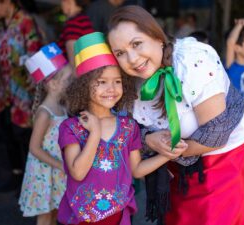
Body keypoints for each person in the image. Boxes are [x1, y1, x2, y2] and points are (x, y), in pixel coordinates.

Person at [107, 5, 244, 225]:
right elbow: (129, 132)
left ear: (156, 36)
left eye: (136, 44)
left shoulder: (191, 61)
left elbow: (216, 133)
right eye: (120, 53)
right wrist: (149, 139)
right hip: (180, 170)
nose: (132, 59)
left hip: (230, 156)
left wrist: (161, 152)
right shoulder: (126, 84)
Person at [57, 32, 186, 225]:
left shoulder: (128, 126)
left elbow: (136, 170)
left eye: (117, 81)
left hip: (119, 216)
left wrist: (167, 155)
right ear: (84, 85)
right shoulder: (71, 127)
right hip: (80, 217)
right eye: (101, 82)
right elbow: (77, 172)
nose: (111, 88)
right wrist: (95, 133)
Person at [0, 0, 42, 191]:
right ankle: (17, 175)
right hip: (2, 88)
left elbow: (34, 52)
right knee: (6, 132)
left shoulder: (25, 21)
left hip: (23, 90)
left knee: (25, 135)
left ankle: (33, 181)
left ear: (7, 2)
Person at [18, 43, 71, 225]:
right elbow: (34, 148)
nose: (71, 83)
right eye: (67, 79)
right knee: (45, 216)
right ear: (54, 84)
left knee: (56, 212)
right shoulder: (44, 113)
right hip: (44, 172)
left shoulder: (63, 107)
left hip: (57, 171)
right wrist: (60, 165)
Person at [58, 0, 94, 66]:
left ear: (69, 1)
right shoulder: (84, 19)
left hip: (79, 71)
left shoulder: (73, 23)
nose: (61, 4)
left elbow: (74, 60)